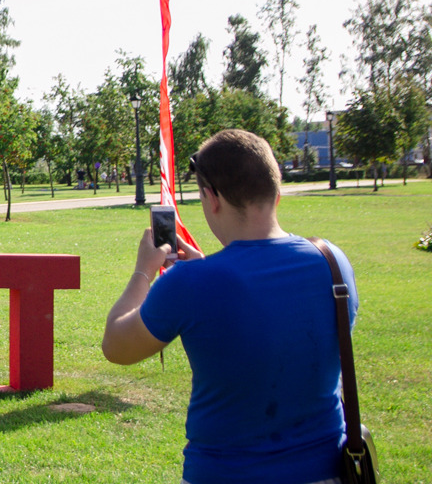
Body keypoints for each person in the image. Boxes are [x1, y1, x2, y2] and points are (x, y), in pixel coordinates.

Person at [102, 129, 358, 484]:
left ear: (212, 197)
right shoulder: (333, 262)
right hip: (328, 470)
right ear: (276, 191)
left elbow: (116, 346)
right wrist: (207, 272)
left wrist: (143, 272)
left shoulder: (191, 283)